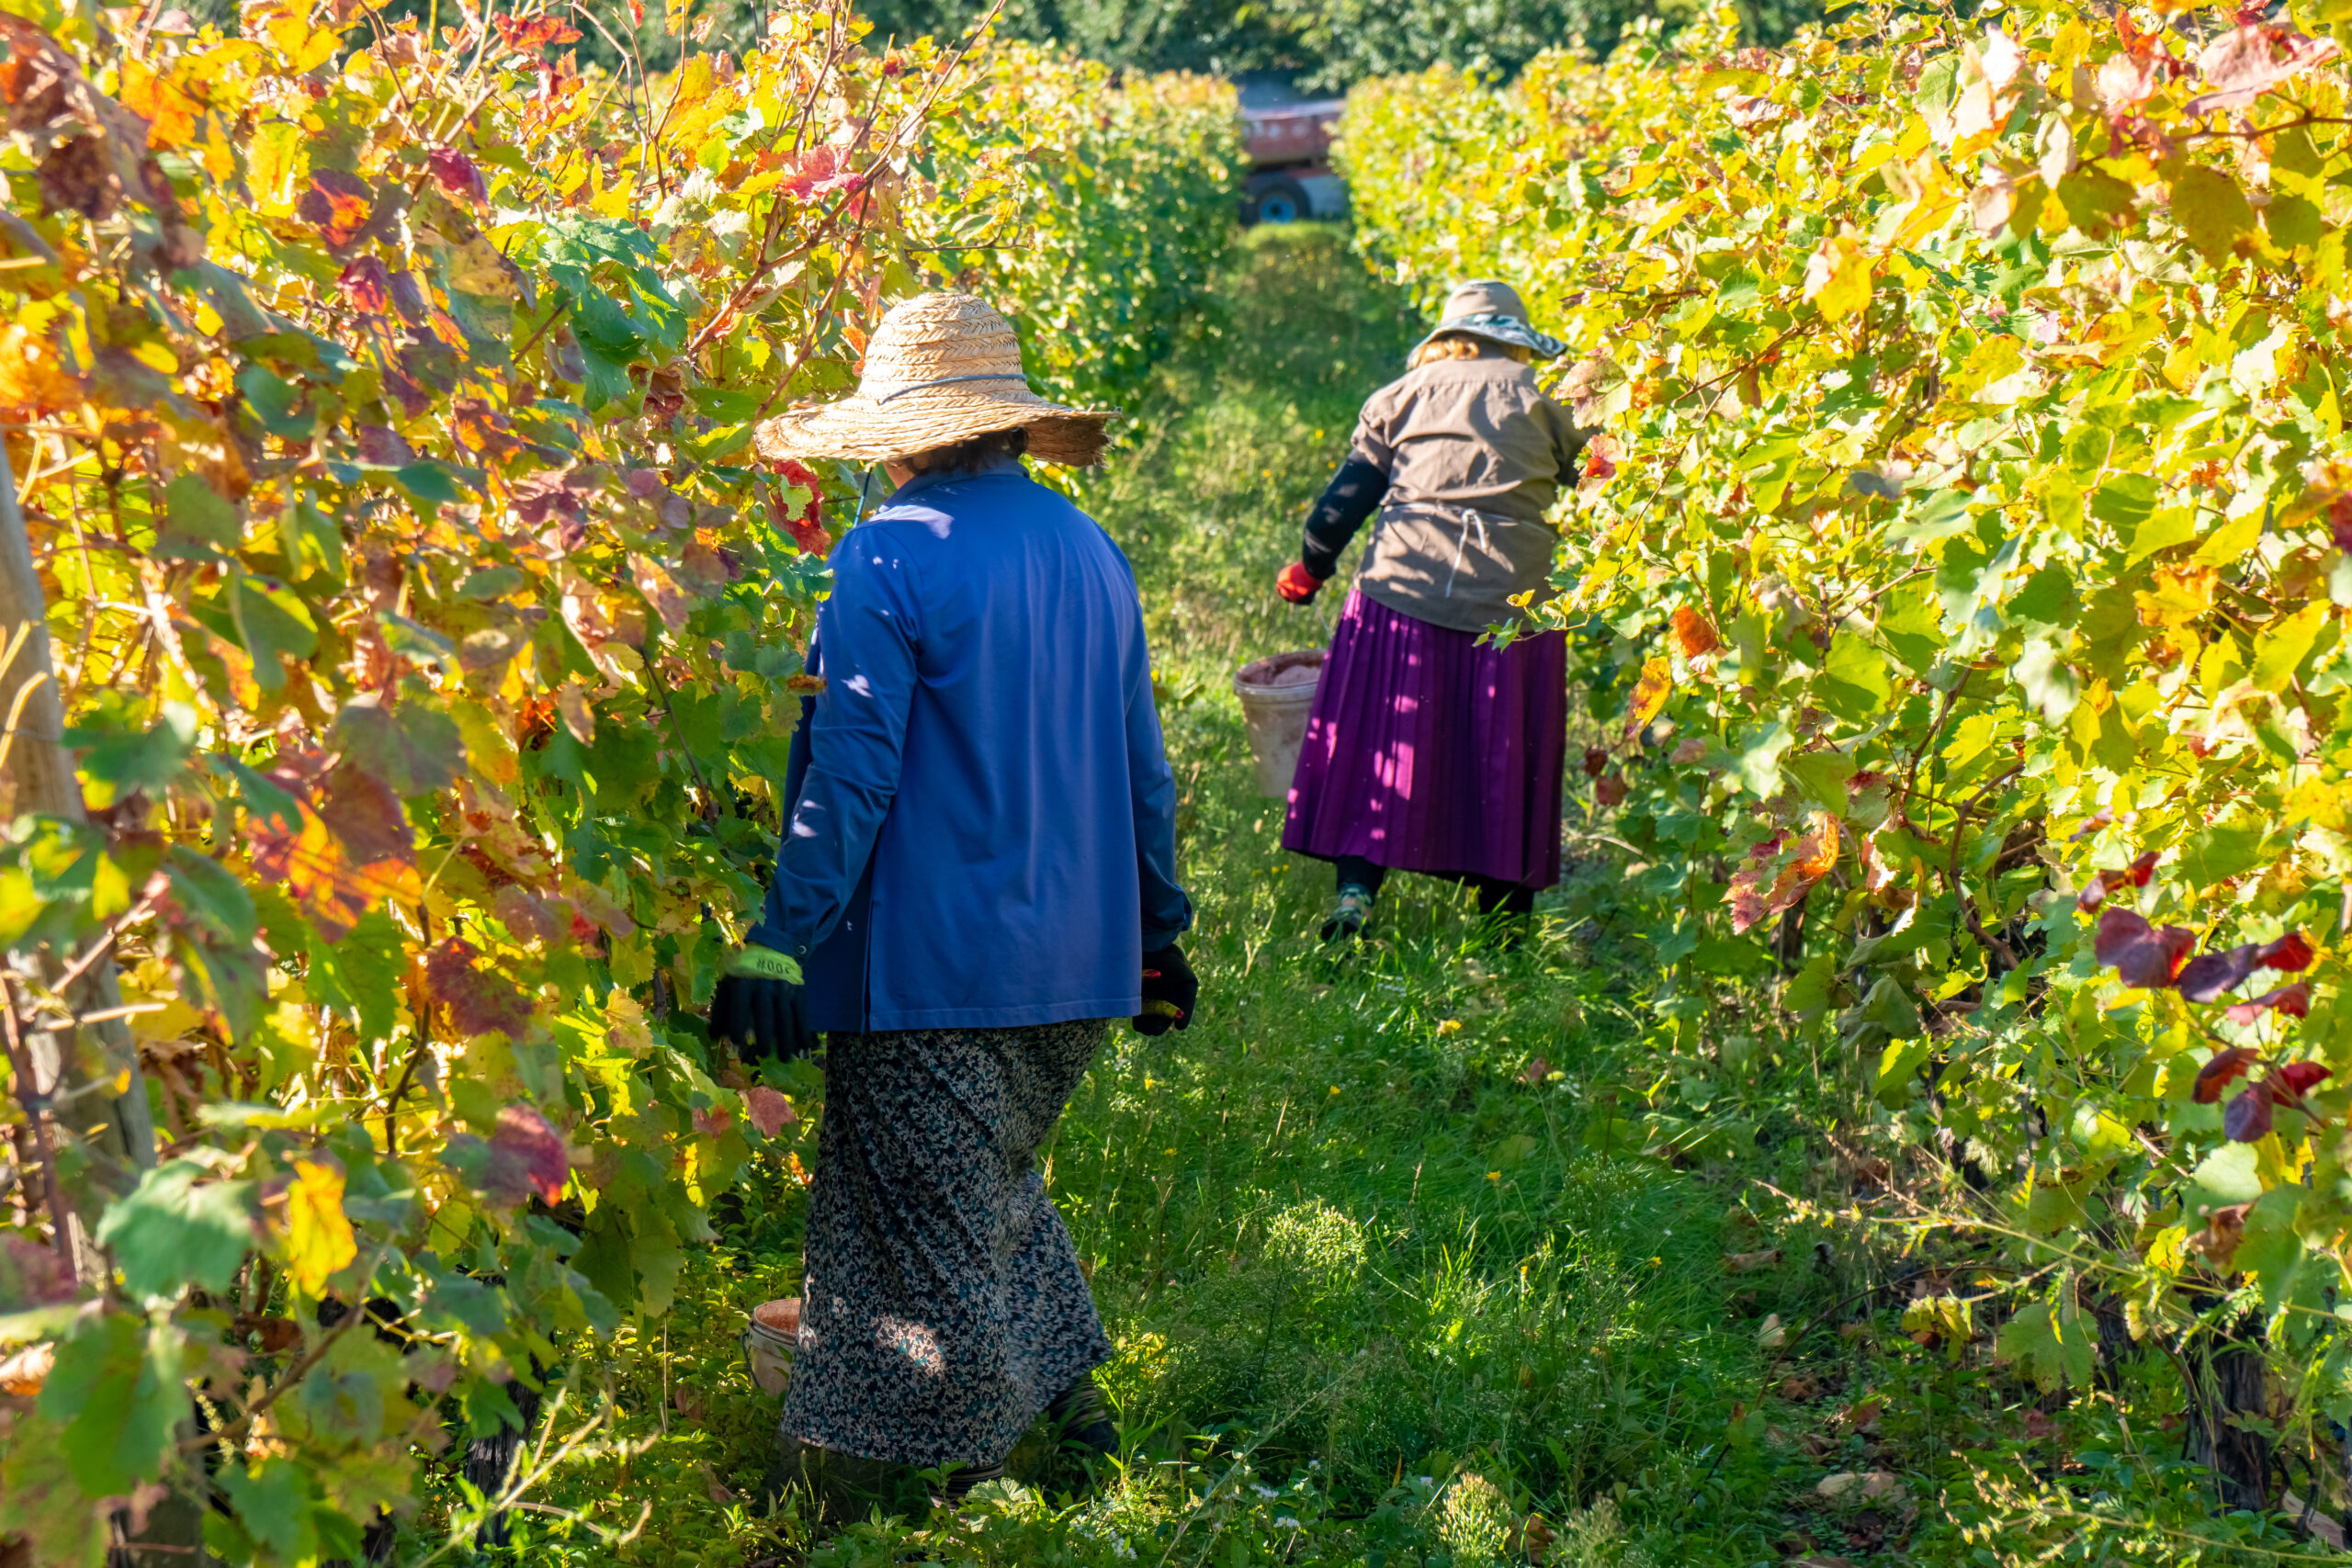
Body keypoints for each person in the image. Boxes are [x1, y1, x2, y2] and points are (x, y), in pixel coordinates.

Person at [707, 292, 1197, 1518]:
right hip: (1079, 963)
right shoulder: (1090, 549)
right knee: (989, 1197)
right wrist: (1158, 933)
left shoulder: (884, 556)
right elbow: (1143, 767)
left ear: (900, 436)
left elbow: (852, 773)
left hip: (932, 968)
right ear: (1007, 426)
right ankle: (1080, 1429)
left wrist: (780, 936)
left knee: (926, 1245)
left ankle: (967, 1503)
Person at [1273, 280, 1587, 942]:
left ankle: (1356, 895)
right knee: (1504, 753)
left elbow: (1338, 508)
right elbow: (1607, 486)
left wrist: (1310, 570)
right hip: (1513, 609)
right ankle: (1504, 931)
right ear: (1515, 342)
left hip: (1401, 594)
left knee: (1377, 741)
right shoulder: (1549, 399)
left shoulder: (1402, 395)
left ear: (1448, 338)